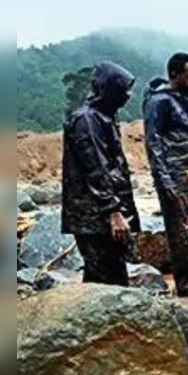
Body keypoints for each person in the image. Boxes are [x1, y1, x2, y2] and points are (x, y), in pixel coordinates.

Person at [62, 62, 140, 286]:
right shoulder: (86, 120)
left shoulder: (103, 117)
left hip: (100, 215)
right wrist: (113, 212)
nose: (128, 95)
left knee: (103, 277)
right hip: (94, 217)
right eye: (123, 89)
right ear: (107, 89)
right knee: (109, 279)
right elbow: (96, 168)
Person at [143, 53, 188, 301]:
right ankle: (186, 282)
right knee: (179, 230)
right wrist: (165, 181)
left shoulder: (187, 102)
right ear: (174, 75)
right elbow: (154, 144)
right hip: (173, 176)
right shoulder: (159, 102)